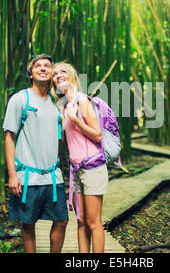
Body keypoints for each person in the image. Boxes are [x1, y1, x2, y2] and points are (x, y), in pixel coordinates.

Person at [3, 54, 68, 253]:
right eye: (37, 66)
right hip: (27, 176)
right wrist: (13, 175)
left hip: (53, 175)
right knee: (28, 223)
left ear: (52, 73)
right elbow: (9, 137)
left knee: (62, 220)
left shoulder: (57, 102)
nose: (42, 68)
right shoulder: (20, 99)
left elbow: (61, 139)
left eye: (47, 66)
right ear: (30, 73)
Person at [52, 62, 109, 253]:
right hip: (76, 170)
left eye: (63, 71)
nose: (58, 75)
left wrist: (75, 119)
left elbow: (97, 134)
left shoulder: (82, 101)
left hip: (92, 167)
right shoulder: (64, 105)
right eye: (55, 73)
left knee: (93, 222)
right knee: (81, 221)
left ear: (73, 76)